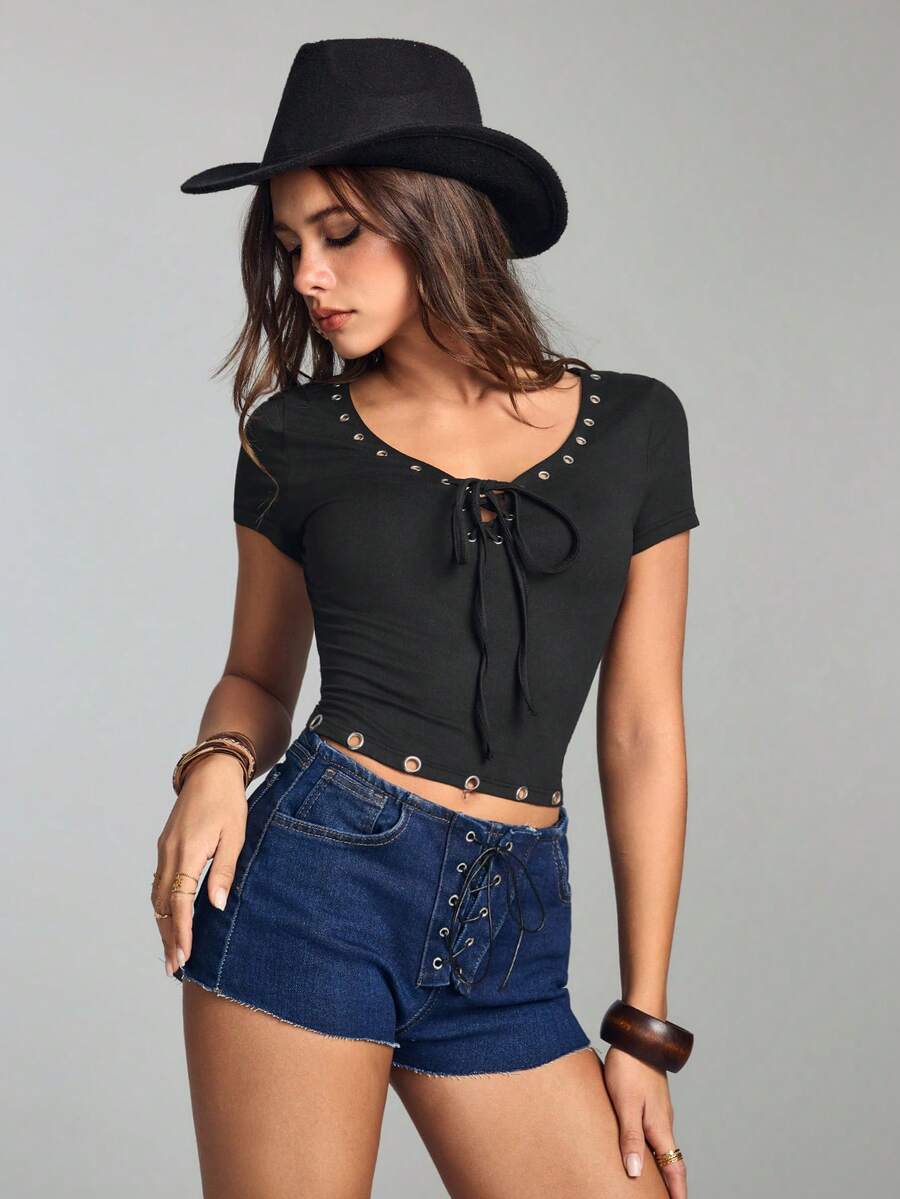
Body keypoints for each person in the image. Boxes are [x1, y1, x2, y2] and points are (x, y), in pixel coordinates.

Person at [155, 37, 699, 1199]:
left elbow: (643, 732)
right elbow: (259, 675)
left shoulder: (638, 429)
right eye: (290, 244)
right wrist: (215, 762)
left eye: (340, 232)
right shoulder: (292, 437)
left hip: (515, 927)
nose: (309, 275)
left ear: (435, 216)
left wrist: (643, 1025)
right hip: (315, 886)